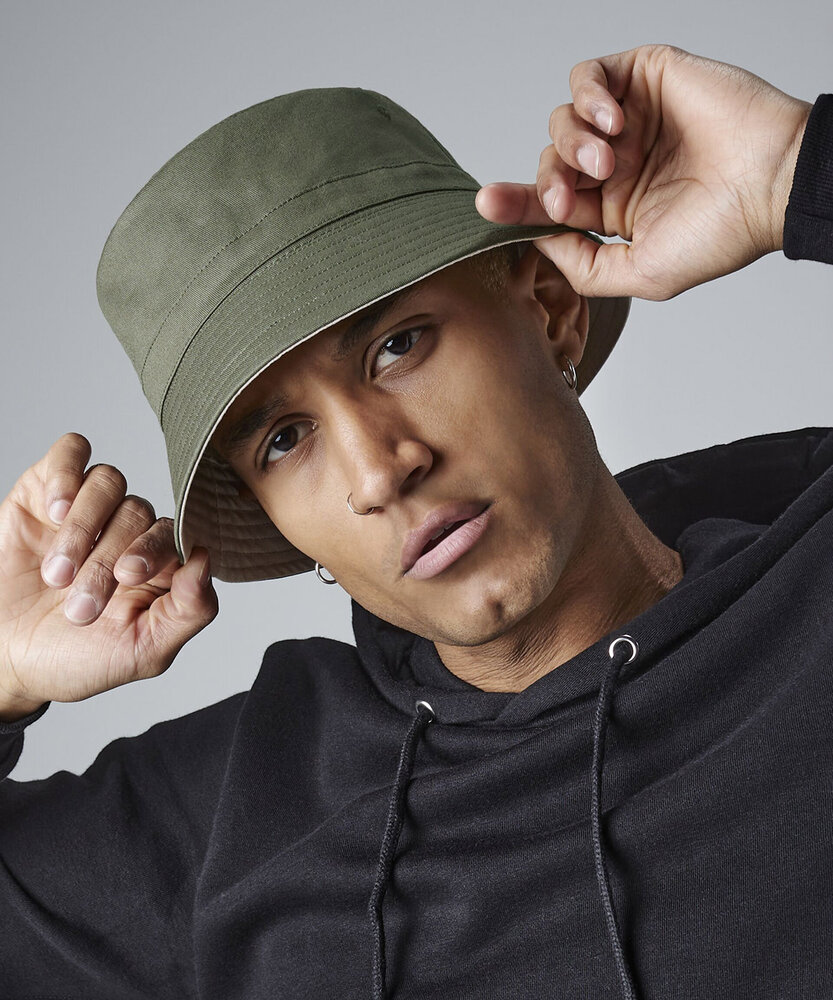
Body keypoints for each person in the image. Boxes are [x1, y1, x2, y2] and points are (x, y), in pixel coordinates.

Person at [0, 42, 830, 999]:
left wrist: (795, 169)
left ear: (550, 309)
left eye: (397, 347)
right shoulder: (237, 812)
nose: (377, 471)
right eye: (283, 439)